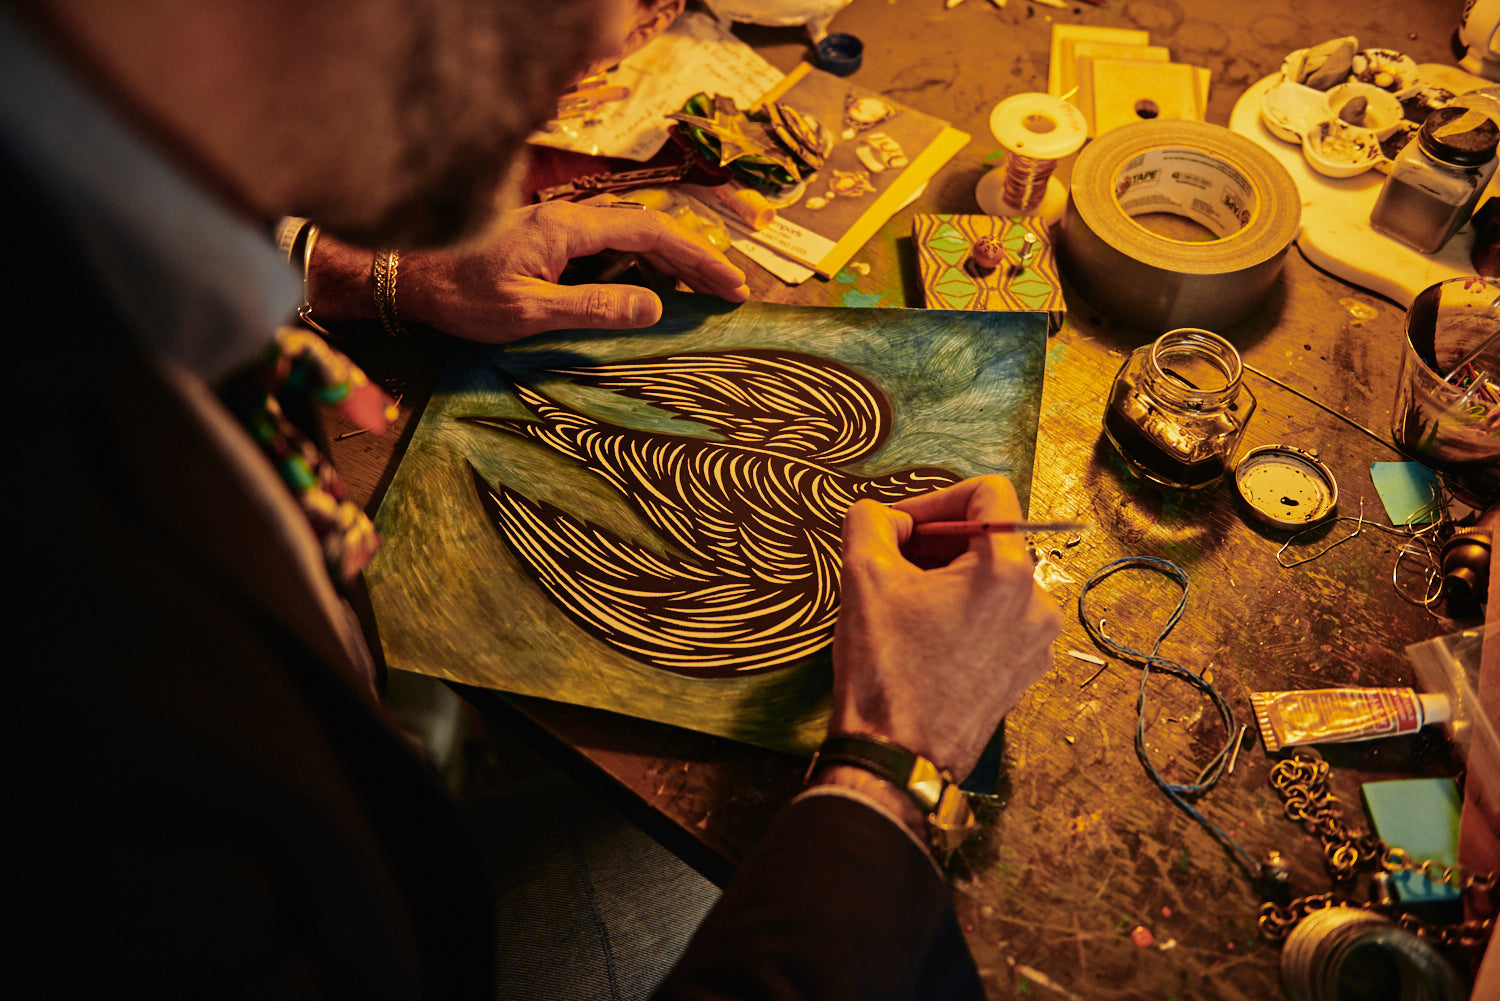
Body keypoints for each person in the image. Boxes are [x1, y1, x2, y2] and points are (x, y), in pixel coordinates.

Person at [4, 1, 1061, 1000]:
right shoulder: (96, 702)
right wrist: (893, 760)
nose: (613, 41)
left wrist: (359, 272)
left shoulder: (87, 194)